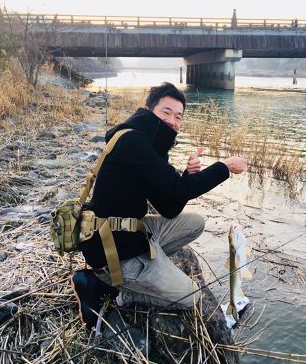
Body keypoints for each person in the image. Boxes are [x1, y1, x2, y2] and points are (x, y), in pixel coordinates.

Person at [71, 82, 247, 329]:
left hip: (128, 232)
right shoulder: (132, 142)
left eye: (178, 116)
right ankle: (105, 286)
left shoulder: (147, 143)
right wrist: (225, 167)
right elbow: (177, 191)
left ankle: (152, 268)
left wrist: (186, 175)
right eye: (166, 112)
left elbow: (169, 206)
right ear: (148, 109)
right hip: (113, 252)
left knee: (196, 223)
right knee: (191, 297)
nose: (173, 121)